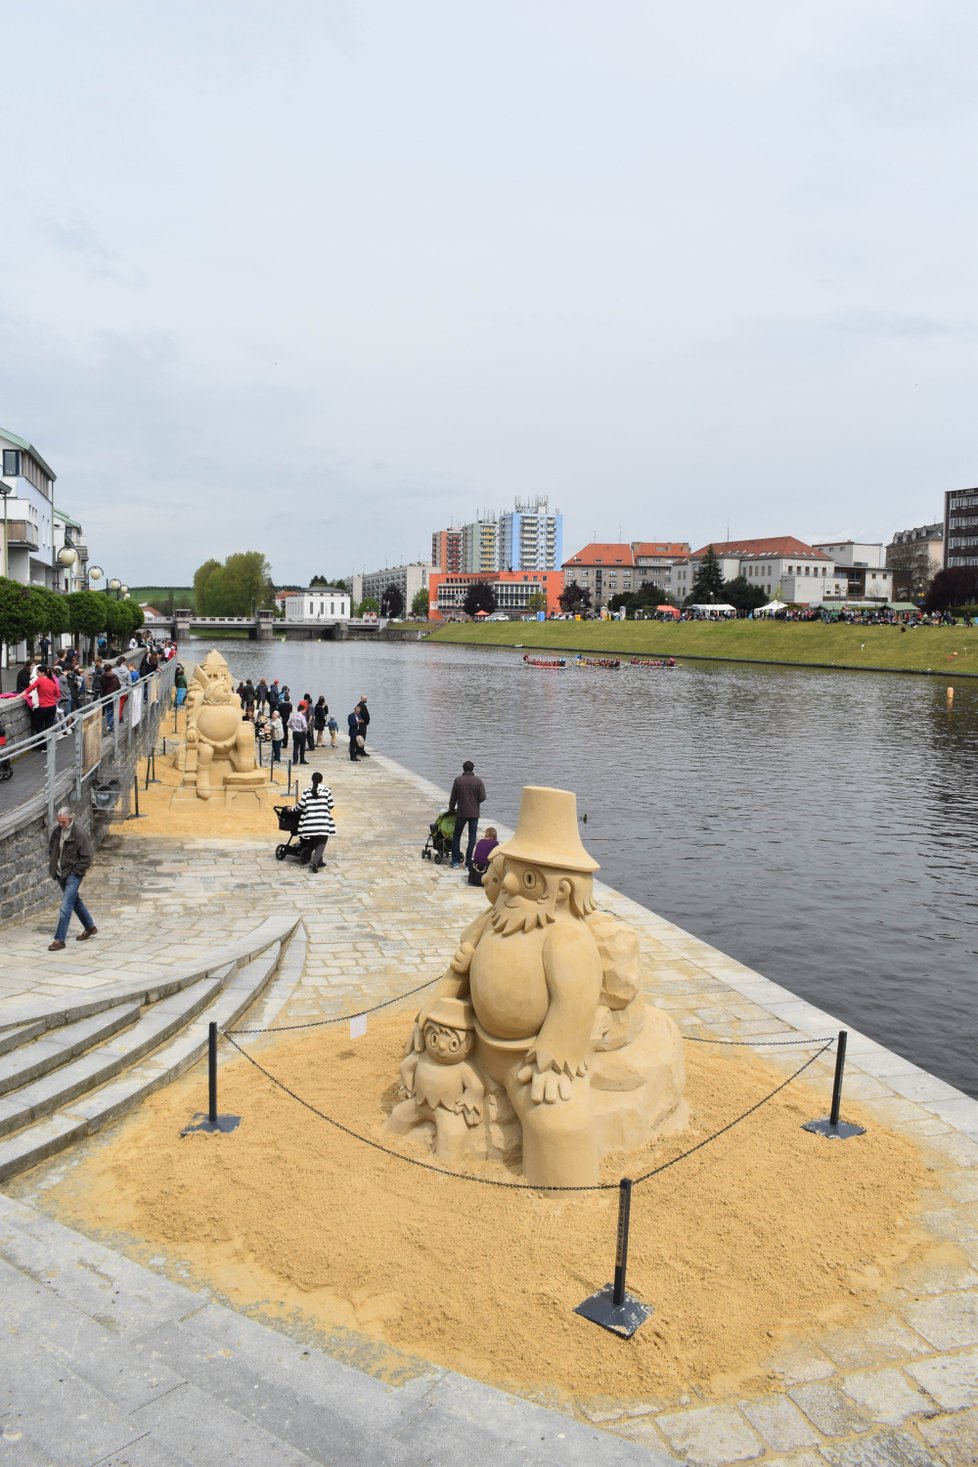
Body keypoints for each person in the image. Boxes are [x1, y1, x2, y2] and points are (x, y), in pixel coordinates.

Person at [47, 807, 97, 950]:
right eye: (59, 822)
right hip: (60, 873)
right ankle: (90, 927)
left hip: (73, 874)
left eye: (63, 822)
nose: (61, 824)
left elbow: (87, 857)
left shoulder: (79, 833)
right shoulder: (57, 832)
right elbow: (52, 849)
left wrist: (76, 872)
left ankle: (59, 940)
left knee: (65, 906)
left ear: (70, 818)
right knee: (75, 901)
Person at [448, 760, 486, 870]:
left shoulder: (458, 781)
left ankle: (455, 861)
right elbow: (482, 798)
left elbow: (453, 798)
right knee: (472, 837)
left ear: (463, 769)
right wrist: (475, 800)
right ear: (472, 769)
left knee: (456, 836)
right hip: (474, 813)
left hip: (461, 813)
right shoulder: (478, 781)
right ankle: (468, 863)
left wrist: (451, 810)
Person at [295, 771, 336, 873]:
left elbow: (301, 806)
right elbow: (331, 805)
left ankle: (319, 861)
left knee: (314, 841)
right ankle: (315, 861)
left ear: (312, 779)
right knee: (322, 842)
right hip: (322, 822)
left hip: (310, 823)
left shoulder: (306, 791)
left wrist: (291, 809)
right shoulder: (326, 791)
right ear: (321, 780)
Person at [24, 665, 61, 735]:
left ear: (42, 673)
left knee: (38, 725)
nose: (37, 674)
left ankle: (42, 742)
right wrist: (53, 700)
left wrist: (18, 696)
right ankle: (49, 743)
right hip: (52, 707)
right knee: (49, 726)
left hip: (42, 707)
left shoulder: (38, 680)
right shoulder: (52, 681)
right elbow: (58, 695)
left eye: (38, 672)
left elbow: (29, 690)